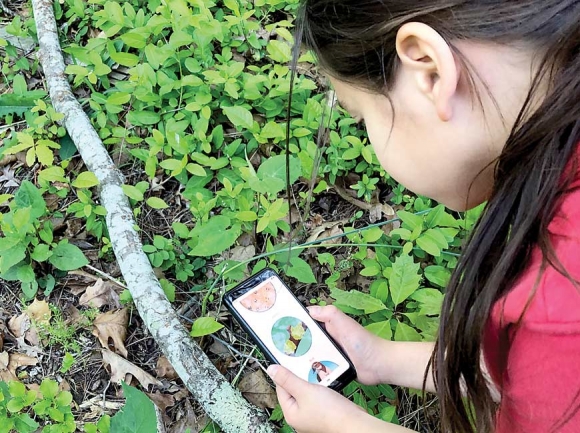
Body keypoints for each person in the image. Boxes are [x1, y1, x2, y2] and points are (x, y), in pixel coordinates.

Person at [265, 1, 580, 432]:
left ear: (429, 71)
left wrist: (350, 427)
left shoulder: (562, 293)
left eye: (362, 119)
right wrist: (381, 358)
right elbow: (537, 370)